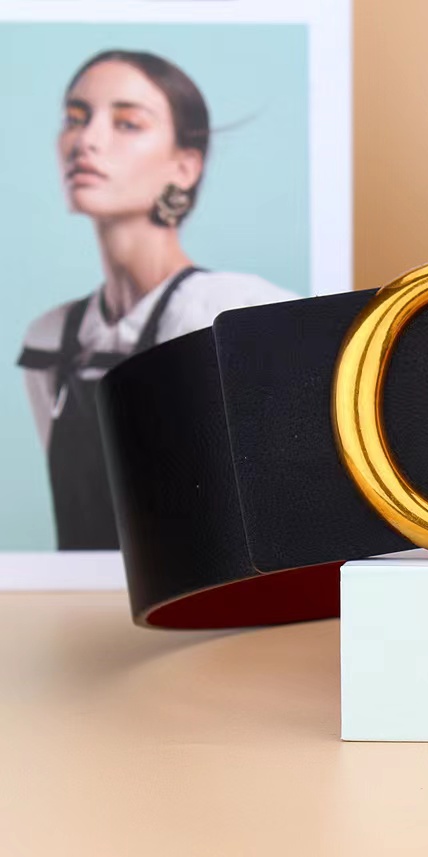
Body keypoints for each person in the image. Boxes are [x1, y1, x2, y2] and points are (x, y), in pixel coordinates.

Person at [15, 49, 300, 551]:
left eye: (127, 123)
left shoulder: (228, 314)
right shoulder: (50, 339)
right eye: (75, 118)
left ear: (184, 167)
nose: (86, 140)